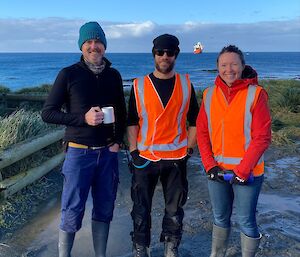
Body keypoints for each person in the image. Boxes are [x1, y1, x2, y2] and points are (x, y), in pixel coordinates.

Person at [41, 21, 127, 257]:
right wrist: (83, 118)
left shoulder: (113, 75)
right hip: (79, 153)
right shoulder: (68, 74)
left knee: (104, 208)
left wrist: (118, 141)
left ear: (104, 45)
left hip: (108, 154)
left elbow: (121, 111)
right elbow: (48, 113)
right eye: (88, 42)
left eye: (97, 41)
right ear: (81, 46)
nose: (93, 46)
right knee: (72, 209)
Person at [127, 34, 199, 257]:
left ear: (176, 55)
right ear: (154, 55)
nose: (165, 56)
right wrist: (133, 151)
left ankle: (171, 247)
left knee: (175, 208)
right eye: (160, 52)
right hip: (145, 157)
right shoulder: (139, 85)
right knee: (140, 208)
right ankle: (141, 248)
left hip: (176, 158)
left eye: (169, 52)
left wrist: (189, 149)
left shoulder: (186, 85)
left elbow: (195, 121)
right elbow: (131, 121)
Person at [196, 45, 271, 257]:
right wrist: (209, 165)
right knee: (220, 217)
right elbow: (202, 133)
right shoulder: (209, 94)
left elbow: (262, 137)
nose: (229, 69)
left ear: (242, 66)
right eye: (224, 65)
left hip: (248, 174)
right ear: (217, 67)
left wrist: (242, 170)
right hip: (217, 171)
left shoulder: (256, 94)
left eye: (234, 64)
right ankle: (217, 254)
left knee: (246, 220)